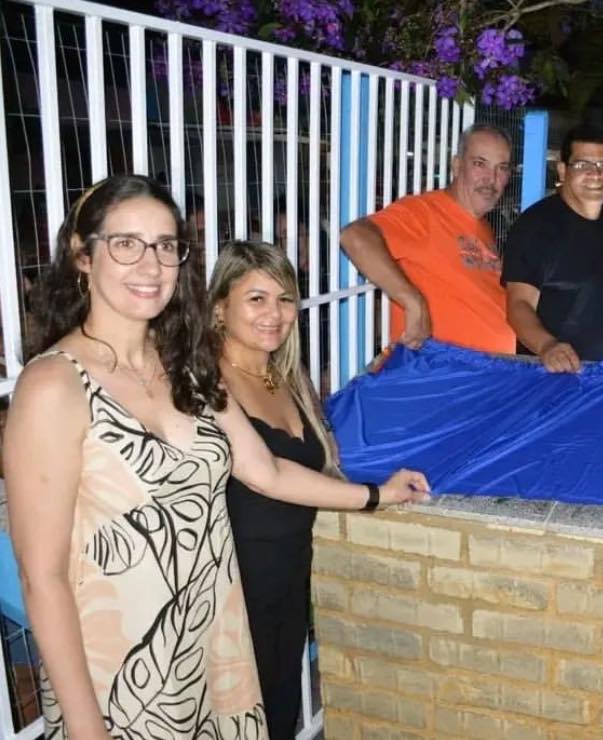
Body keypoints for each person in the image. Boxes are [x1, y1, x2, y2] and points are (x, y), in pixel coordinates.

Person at [2, 175, 429, 738]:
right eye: (126, 243)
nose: (151, 264)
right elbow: (43, 577)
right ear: (83, 255)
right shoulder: (53, 385)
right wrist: (85, 725)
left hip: (217, 647)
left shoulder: (184, 365)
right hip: (124, 668)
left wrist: (377, 495)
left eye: (165, 245)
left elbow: (265, 471)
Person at [208, 241, 337, 739]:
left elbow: (322, 465)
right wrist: (376, 495)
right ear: (221, 307)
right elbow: (269, 475)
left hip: (288, 574)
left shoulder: (286, 375)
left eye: (285, 300)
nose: (275, 314)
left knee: (280, 711)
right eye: (256, 299)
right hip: (235, 586)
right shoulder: (205, 380)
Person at [340, 123, 515, 353]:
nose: (491, 179)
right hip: (439, 369)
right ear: (457, 166)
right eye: (479, 164)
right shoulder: (424, 212)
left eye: (501, 168)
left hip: (483, 369)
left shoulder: (483, 226)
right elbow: (354, 236)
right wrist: (411, 299)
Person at [502, 124, 603, 371]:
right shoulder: (536, 227)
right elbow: (519, 305)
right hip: (551, 374)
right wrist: (548, 346)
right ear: (562, 170)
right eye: (583, 165)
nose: (596, 174)